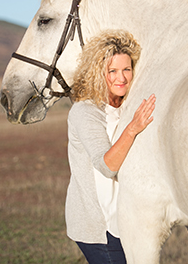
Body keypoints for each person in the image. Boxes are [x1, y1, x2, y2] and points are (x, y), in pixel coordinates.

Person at [65, 29, 155, 264]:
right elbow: (107, 166)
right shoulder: (85, 111)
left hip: (125, 219)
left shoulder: (127, 106)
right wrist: (133, 128)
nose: (121, 78)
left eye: (127, 69)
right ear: (97, 73)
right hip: (99, 228)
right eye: (112, 71)